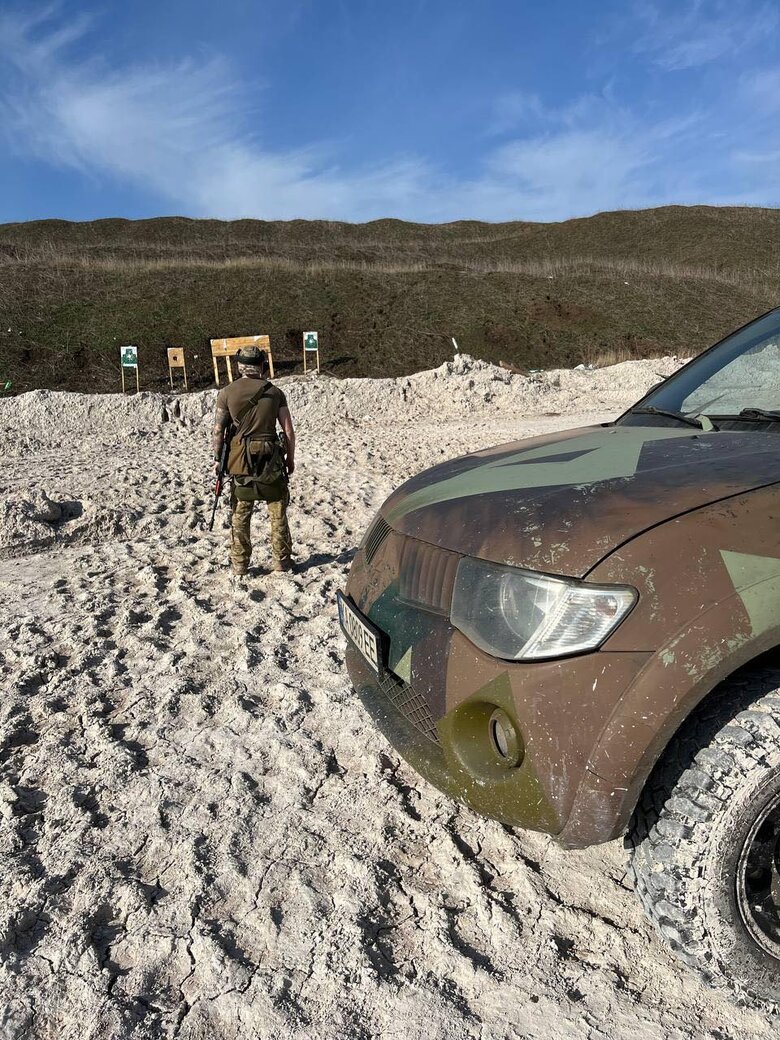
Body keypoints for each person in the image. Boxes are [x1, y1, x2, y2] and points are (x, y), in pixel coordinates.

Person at [211, 347, 296, 576]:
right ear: (262, 365)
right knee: (277, 512)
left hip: (240, 460)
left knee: (240, 514)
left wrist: (219, 460)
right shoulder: (275, 392)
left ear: (240, 366)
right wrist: (290, 458)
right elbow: (287, 430)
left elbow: (219, 431)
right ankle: (281, 561)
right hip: (271, 460)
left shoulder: (227, 393)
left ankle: (240, 564)